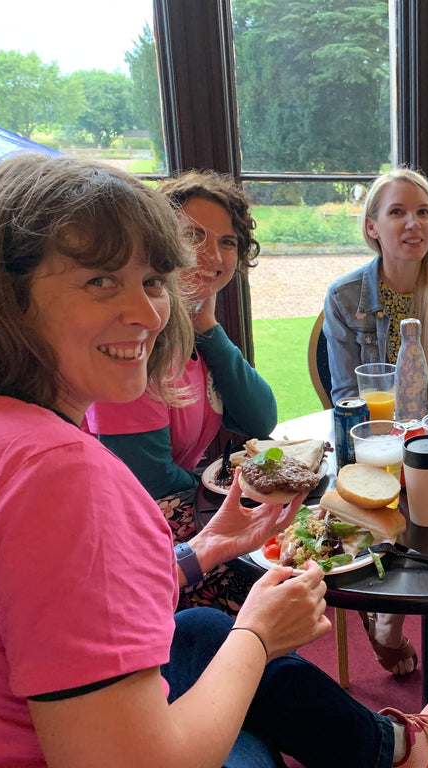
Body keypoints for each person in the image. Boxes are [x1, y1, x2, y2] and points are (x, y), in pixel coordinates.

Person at [0, 154, 428, 768]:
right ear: (3, 295)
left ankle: (391, 748)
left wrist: (198, 554)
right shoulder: (61, 475)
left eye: (152, 281)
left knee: (200, 629)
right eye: (100, 280)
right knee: (242, 677)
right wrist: (258, 638)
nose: (149, 314)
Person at [86, 170, 277, 613]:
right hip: (139, 523)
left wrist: (208, 327)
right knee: (273, 564)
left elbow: (260, 417)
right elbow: (148, 477)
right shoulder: (137, 343)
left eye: (228, 242)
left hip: (186, 501)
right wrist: (222, 495)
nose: (212, 255)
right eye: (193, 236)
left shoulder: (191, 331)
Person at [323, 167, 428, 675]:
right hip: (378, 438)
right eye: (397, 212)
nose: (413, 223)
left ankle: (401, 599)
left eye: (423, 211)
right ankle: (389, 607)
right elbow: (347, 397)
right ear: (372, 227)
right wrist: (392, 443)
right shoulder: (347, 297)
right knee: (395, 501)